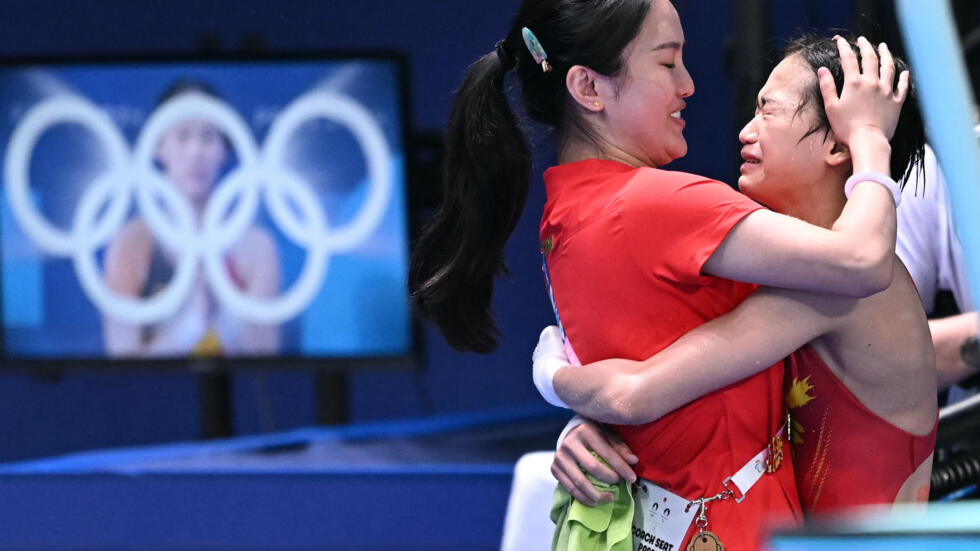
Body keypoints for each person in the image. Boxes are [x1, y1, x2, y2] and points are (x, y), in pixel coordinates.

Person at [409, 0, 908, 547]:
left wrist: (556, 375)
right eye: (668, 63)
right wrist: (871, 140)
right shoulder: (659, 203)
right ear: (588, 88)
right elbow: (861, 263)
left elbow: (634, 387)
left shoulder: (567, 210)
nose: (689, 85)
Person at [535, 34, 936, 520]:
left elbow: (631, 393)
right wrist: (582, 424)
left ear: (837, 143)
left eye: (768, 112)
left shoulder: (844, 288)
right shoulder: (795, 274)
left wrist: (549, 371)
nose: (746, 131)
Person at [102, 81, 281, 358]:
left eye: (208, 137)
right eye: (183, 136)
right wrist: (191, 325)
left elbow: (266, 354)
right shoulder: (131, 243)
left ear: (225, 150)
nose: (195, 152)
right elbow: (122, 361)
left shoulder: (256, 245)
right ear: (158, 147)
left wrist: (222, 319)